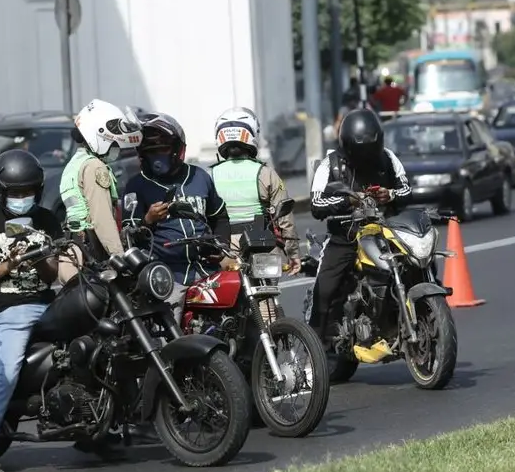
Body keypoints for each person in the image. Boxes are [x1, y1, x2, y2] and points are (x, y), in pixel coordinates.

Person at [0, 149, 61, 472]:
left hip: (48, 303)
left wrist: (43, 258)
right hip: (9, 310)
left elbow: (53, 275)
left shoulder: (47, 219)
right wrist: (9, 265)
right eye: (16, 193)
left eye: (28, 192)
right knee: (6, 375)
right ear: (1, 192)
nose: (22, 198)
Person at [307, 109, 414, 347]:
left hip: (386, 231)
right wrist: (348, 200)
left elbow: (407, 189)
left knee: (419, 262)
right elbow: (316, 204)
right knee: (324, 290)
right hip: (345, 235)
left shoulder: (388, 158)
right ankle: (312, 352)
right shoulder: (330, 164)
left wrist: (391, 194)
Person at [122, 112, 234, 313]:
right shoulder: (136, 186)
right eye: (151, 152)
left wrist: (221, 247)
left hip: (206, 270)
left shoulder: (199, 176)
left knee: (241, 304)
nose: (157, 157)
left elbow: (220, 217)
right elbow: (128, 236)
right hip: (168, 277)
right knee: (171, 336)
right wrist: (148, 219)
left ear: (177, 150)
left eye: (163, 149)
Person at [57, 99, 143, 283]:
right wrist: (120, 257)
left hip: (72, 253)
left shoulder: (76, 163)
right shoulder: (95, 167)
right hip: (90, 255)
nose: (117, 149)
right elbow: (101, 217)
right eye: (114, 144)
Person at [210, 107, 301, 280]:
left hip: (223, 248)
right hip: (260, 245)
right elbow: (285, 218)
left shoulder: (210, 176)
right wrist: (293, 253)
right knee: (265, 296)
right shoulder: (266, 173)